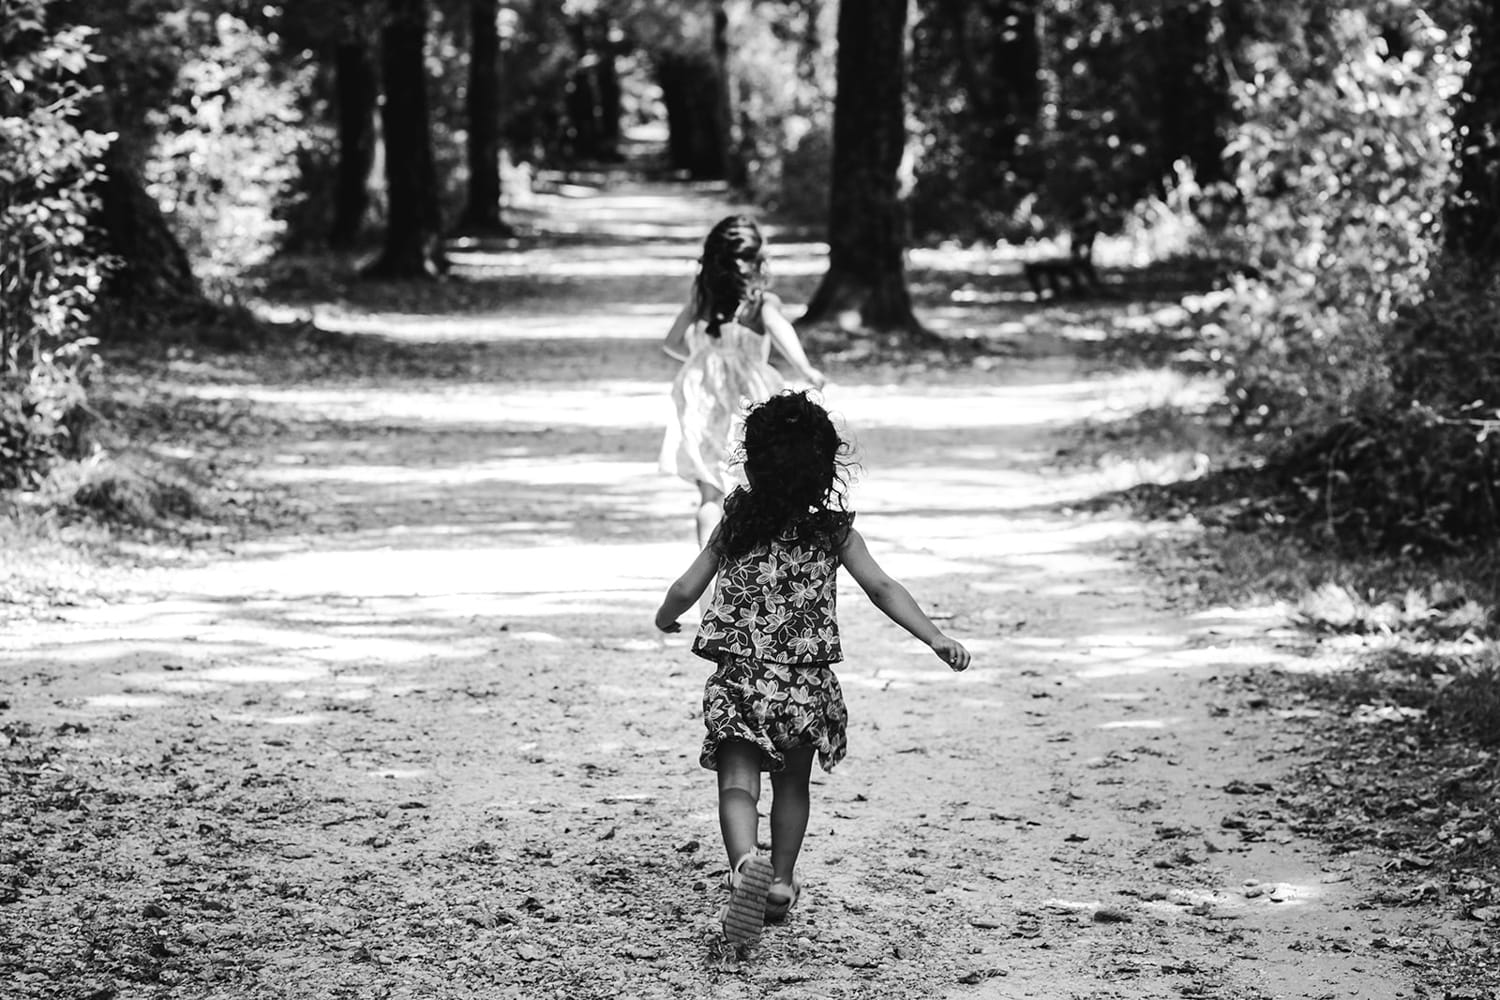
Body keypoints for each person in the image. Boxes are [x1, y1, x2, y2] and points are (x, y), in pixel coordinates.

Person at [654, 391, 971, 950]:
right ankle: (777, 881)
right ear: (827, 468)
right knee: (792, 784)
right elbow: (882, 588)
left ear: (750, 463)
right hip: (804, 684)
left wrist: (666, 616)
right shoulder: (834, 532)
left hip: (742, 678)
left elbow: (686, 586)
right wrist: (935, 637)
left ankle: (742, 864)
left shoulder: (736, 521)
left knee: (737, 782)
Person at [659, 215, 826, 550]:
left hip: (702, 399)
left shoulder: (701, 299)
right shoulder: (762, 303)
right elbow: (781, 330)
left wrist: (700, 358)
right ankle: (756, 570)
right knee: (760, 482)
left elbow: (671, 342)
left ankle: (707, 584)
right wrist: (806, 369)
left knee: (711, 492)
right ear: (758, 262)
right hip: (751, 398)